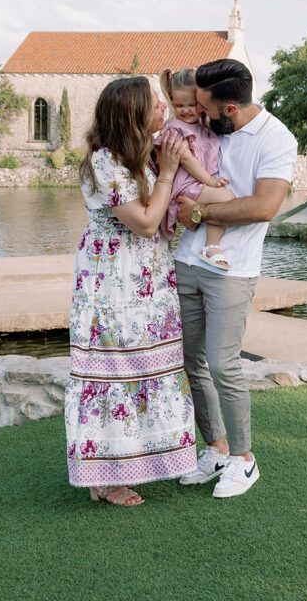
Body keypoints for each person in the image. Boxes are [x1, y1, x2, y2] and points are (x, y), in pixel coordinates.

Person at [64, 76, 196, 507]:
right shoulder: (105, 164)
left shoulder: (139, 158)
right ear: (134, 115)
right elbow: (143, 221)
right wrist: (169, 174)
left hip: (148, 281)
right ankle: (103, 478)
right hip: (112, 284)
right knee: (114, 374)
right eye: (158, 105)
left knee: (145, 368)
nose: (165, 111)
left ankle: (141, 462)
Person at [173, 58, 297, 498]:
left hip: (232, 269)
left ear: (230, 109)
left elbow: (263, 206)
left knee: (223, 364)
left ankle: (245, 460)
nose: (198, 115)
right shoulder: (206, 128)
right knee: (192, 363)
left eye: (205, 109)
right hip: (187, 261)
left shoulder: (276, 138)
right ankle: (217, 450)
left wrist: (201, 212)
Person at [157, 68, 236, 270]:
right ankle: (211, 246)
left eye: (192, 105)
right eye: (179, 105)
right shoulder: (176, 128)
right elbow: (187, 159)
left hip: (196, 181)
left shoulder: (202, 125)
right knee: (226, 199)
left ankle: (204, 231)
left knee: (222, 199)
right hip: (185, 184)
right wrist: (210, 181)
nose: (186, 110)